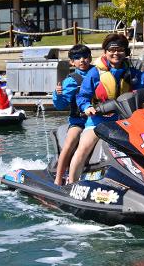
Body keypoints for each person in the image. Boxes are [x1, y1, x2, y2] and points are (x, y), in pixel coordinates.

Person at [67, 33, 144, 183]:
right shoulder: (95, 73)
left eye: (120, 50)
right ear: (105, 52)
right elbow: (83, 95)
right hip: (98, 121)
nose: (116, 53)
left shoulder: (130, 71)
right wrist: (87, 107)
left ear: (126, 52)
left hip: (125, 121)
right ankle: (71, 183)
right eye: (112, 50)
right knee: (83, 148)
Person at [52, 44, 93, 186]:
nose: (82, 60)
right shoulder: (70, 81)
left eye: (85, 57)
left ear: (90, 58)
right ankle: (58, 178)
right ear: (72, 62)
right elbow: (60, 105)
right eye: (77, 58)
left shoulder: (99, 73)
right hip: (79, 121)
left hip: (98, 119)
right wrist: (57, 95)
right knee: (70, 142)